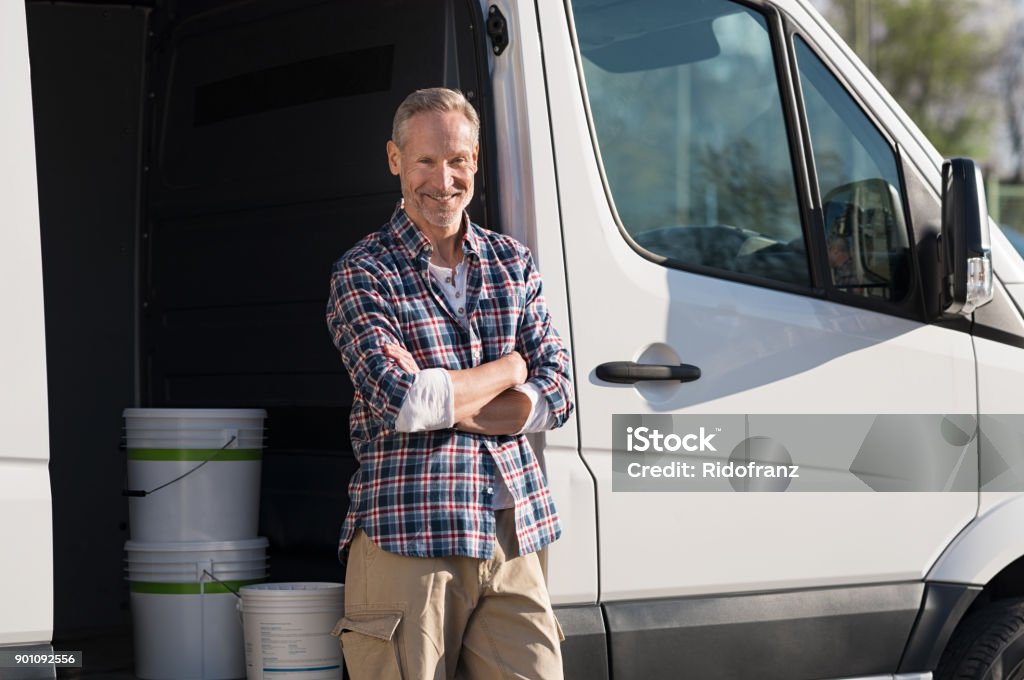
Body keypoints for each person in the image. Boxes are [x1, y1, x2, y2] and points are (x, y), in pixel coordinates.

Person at [325, 87, 574, 680]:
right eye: (426, 161)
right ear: (394, 160)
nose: (444, 179)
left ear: (476, 161)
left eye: (458, 159)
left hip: (513, 534)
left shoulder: (512, 261)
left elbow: (560, 391)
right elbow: (404, 401)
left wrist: (449, 400)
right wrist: (510, 370)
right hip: (409, 534)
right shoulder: (363, 272)